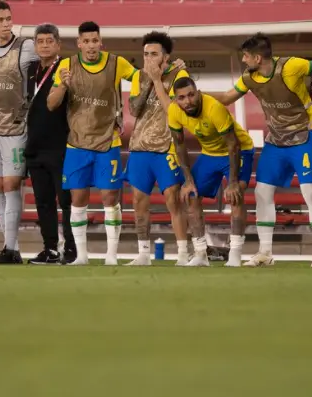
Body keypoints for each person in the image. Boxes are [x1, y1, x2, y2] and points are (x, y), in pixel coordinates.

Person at [212, 33, 312, 268]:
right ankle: (265, 252)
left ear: (257, 58)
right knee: (262, 192)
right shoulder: (249, 78)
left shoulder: (292, 66)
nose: (243, 60)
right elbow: (225, 97)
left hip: (304, 138)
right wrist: (194, 95)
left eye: (246, 56)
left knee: (310, 193)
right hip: (275, 141)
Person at [47, 21, 136, 266]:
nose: (91, 45)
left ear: (100, 42)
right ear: (79, 43)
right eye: (86, 41)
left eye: (94, 40)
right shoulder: (66, 65)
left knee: (110, 197)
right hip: (77, 143)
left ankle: (111, 256)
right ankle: (82, 256)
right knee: (78, 199)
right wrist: (63, 85)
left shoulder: (117, 63)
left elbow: (141, 80)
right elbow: (51, 104)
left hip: (108, 141)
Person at [165, 77, 254, 267]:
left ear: (198, 93)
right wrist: (188, 180)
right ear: (175, 100)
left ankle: (235, 254)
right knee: (191, 195)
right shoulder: (173, 110)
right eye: (182, 98)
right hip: (210, 153)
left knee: (235, 194)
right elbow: (179, 145)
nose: (188, 101)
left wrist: (233, 182)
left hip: (239, 149)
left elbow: (233, 145)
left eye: (191, 95)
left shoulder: (214, 108)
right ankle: (200, 254)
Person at [0, 1, 38, 264]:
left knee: (12, 184)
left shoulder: (26, 47)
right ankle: (9, 247)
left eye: (8, 18)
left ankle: (12, 248)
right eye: (0, 20)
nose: (6, 24)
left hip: (16, 125)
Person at [125, 31, 190, 266]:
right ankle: (143, 254)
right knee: (138, 200)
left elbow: (171, 109)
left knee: (173, 199)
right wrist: (150, 80)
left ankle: (183, 253)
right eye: (145, 54)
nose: (148, 58)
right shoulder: (138, 76)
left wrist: (157, 79)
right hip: (140, 146)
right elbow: (134, 110)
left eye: (154, 54)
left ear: (166, 57)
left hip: (166, 146)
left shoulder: (180, 74)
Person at [25, 24, 75, 265]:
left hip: (61, 144)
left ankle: (72, 249)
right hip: (35, 145)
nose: (44, 45)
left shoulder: (66, 68)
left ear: (58, 44)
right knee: (43, 202)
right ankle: (50, 249)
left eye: (49, 41)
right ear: (35, 45)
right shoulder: (30, 69)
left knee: (66, 201)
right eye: (40, 41)